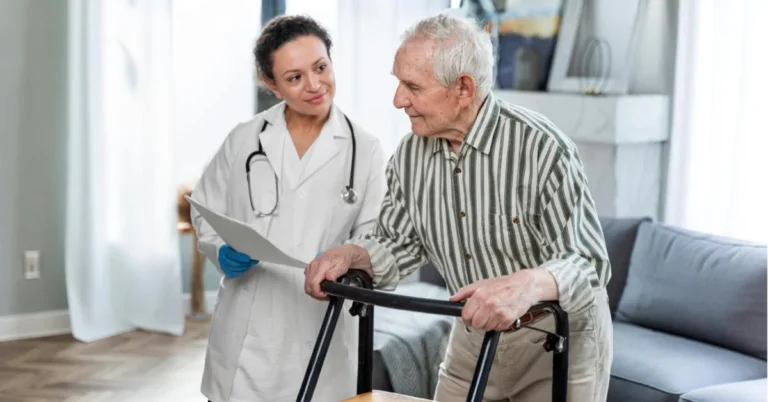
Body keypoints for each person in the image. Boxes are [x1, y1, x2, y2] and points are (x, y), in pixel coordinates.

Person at [305, 12, 613, 402]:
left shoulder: (542, 148)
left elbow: (589, 262)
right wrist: (353, 254)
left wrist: (529, 283)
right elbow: (399, 243)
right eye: (398, 83)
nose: (398, 100)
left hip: (555, 338)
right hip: (473, 334)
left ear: (463, 89)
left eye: (412, 86)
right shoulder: (411, 154)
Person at [190, 14, 386, 402]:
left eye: (321, 67)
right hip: (246, 335)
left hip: (319, 328)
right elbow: (204, 209)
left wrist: (343, 260)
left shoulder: (365, 149)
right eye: (294, 77)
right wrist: (220, 250)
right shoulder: (245, 139)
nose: (315, 85)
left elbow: (375, 237)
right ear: (271, 85)